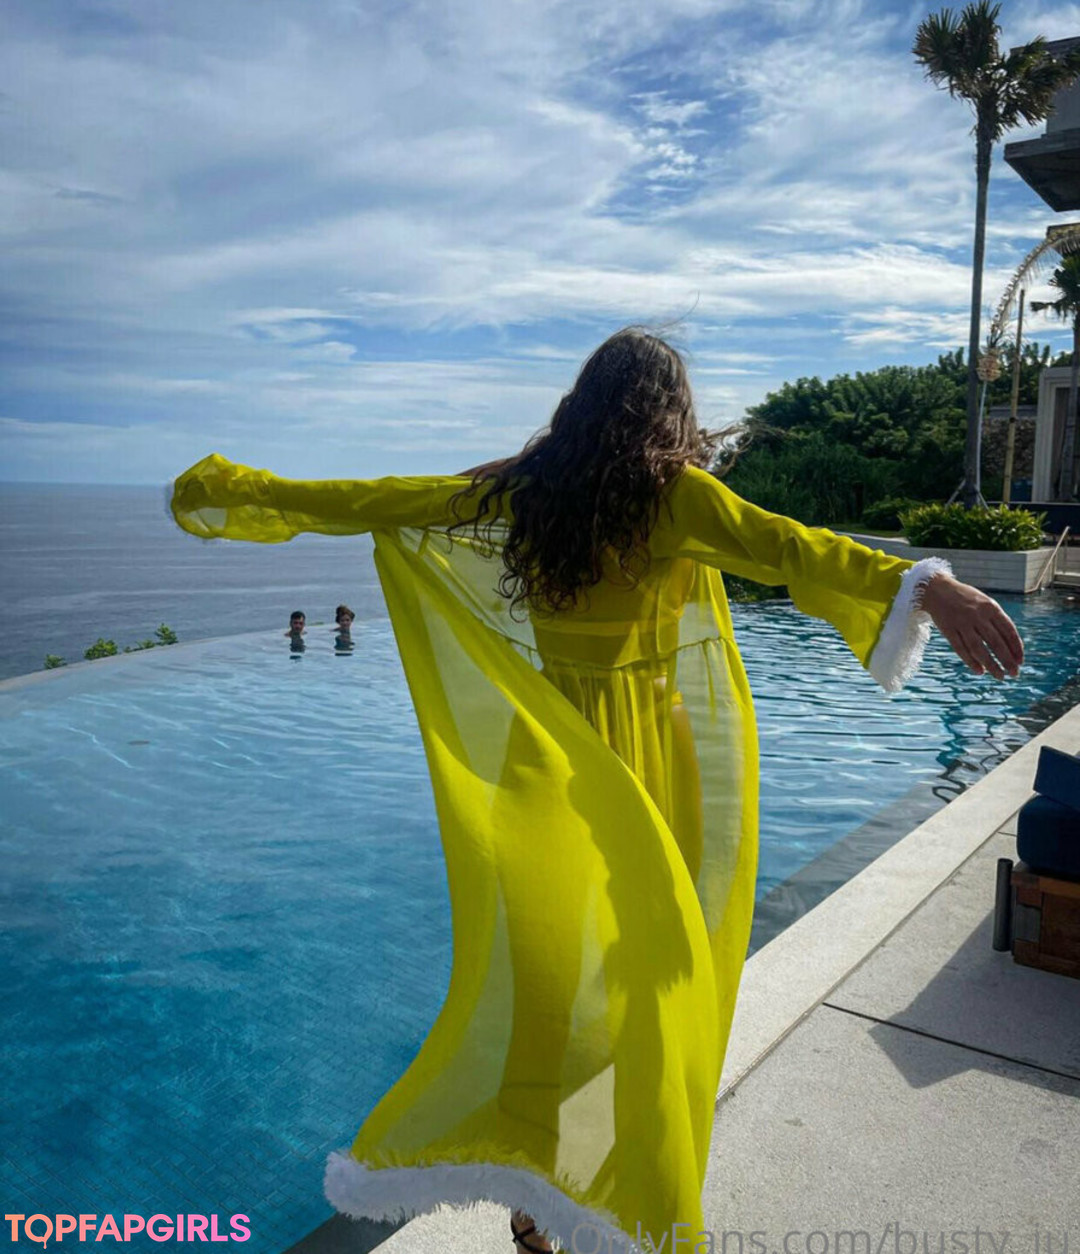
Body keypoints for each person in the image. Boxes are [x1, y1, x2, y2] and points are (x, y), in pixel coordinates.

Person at [169, 328, 1023, 1254]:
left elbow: (373, 499)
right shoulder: (675, 497)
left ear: (580, 406)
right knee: (654, 979)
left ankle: (541, 1199)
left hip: (551, 758)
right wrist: (927, 587)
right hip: (651, 756)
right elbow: (793, 549)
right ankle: (630, 1195)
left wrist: (239, 492)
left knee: (552, 982)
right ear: (672, 410)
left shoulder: (516, 492)